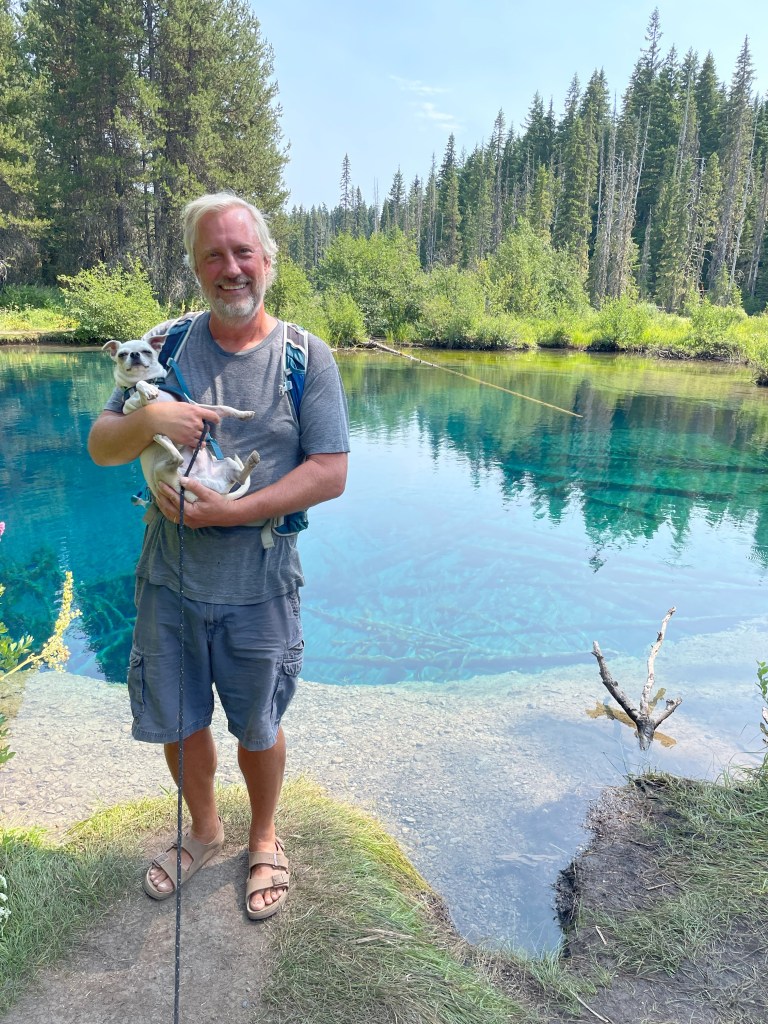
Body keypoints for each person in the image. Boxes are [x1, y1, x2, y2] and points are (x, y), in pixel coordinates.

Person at [88, 193, 349, 919]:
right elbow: (102, 447)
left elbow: (330, 471)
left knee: (259, 725)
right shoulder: (161, 348)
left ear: (267, 261)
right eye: (214, 255)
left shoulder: (305, 358)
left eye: (243, 253)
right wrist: (154, 416)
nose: (231, 268)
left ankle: (263, 837)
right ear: (196, 267)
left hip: (261, 583)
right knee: (178, 721)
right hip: (167, 580)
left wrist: (233, 509)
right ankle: (204, 830)